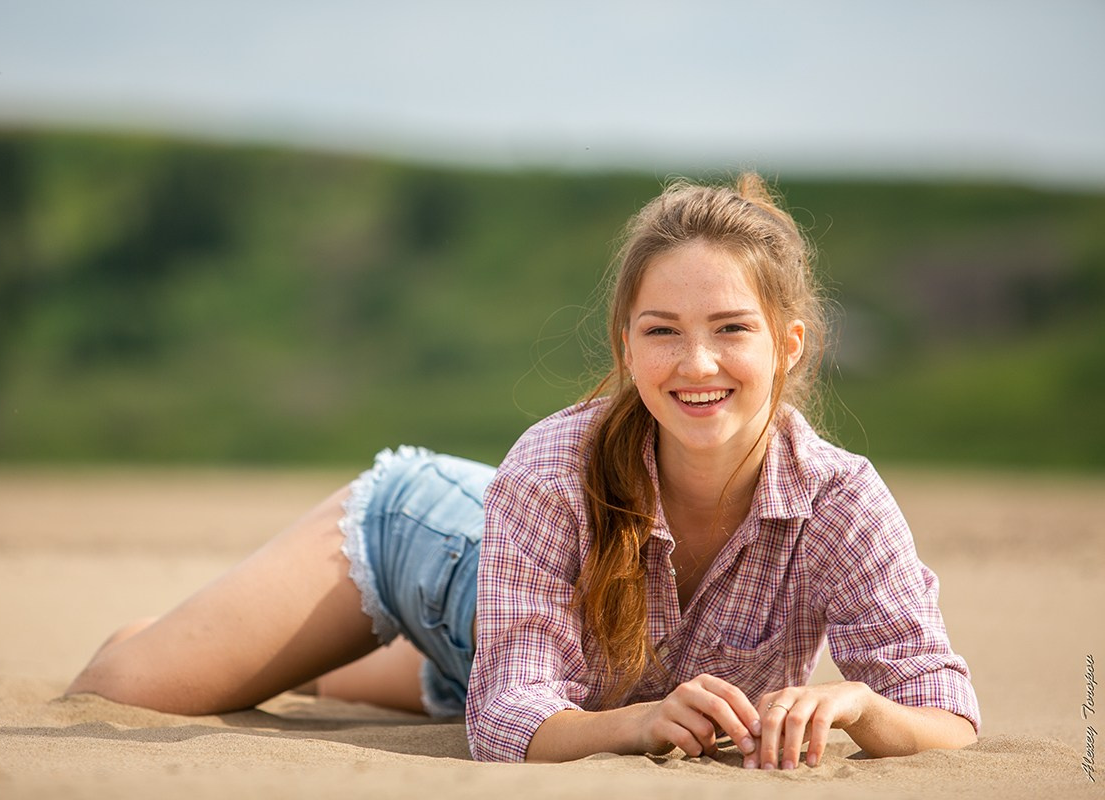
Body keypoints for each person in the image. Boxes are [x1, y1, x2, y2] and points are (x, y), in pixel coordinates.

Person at [66, 174, 979, 769]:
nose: (696, 364)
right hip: (426, 544)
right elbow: (505, 720)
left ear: (786, 344)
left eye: (731, 329)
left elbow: (946, 710)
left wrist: (861, 703)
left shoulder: (840, 498)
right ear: (625, 345)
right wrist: (637, 723)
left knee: (473, 666)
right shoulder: (553, 464)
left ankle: (351, 661)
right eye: (662, 330)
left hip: (527, 642)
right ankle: (177, 633)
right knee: (124, 692)